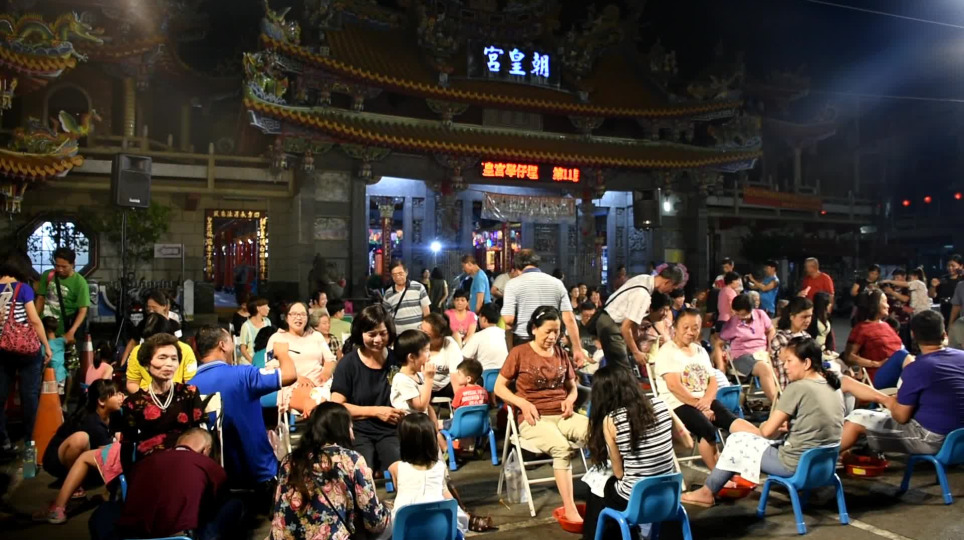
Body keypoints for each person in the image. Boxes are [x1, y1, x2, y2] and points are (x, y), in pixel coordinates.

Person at [42, 333, 204, 524]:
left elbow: (200, 433)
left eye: (174, 358)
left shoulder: (189, 393)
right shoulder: (134, 403)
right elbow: (127, 447)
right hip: (150, 465)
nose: (169, 363)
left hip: (184, 462)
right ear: (147, 364)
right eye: (162, 357)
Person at [682, 337, 844, 507]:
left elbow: (766, 432)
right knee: (751, 440)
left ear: (807, 363)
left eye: (789, 361)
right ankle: (714, 487)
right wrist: (790, 426)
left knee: (737, 440)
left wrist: (768, 425)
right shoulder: (833, 386)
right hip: (825, 466)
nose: (785, 366)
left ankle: (707, 493)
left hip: (795, 465)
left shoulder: (798, 387)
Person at [494, 306, 588, 524]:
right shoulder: (519, 353)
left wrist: (570, 399)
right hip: (533, 418)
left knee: (600, 431)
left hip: (563, 415)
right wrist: (521, 402)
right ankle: (570, 508)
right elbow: (499, 387)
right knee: (562, 448)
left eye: (557, 331)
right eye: (548, 331)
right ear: (534, 329)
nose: (553, 336)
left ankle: (612, 490)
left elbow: (572, 387)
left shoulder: (561, 353)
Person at [190, 325, 296, 499]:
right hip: (258, 476)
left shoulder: (189, 386)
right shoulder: (243, 374)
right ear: (222, 345)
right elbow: (289, 375)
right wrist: (282, 353)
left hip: (213, 480)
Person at [842, 310, 964, 457]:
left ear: (913, 335)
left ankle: (819, 461)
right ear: (944, 334)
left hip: (933, 440)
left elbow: (901, 417)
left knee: (857, 418)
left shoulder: (917, 368)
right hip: (959, 438)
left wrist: (888, 401)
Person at [89, 428, 241, 540]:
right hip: (183, 535)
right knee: (234, 504)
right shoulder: (207, 464)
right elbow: (220, 495)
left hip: (134, 534)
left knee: (105, 510)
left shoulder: (144, 463)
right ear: (206, 450)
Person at [269, 401, 390, 540]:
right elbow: (374, 523)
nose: (353, 435)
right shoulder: (350, 459)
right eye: (351, 428)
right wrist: (387, 509)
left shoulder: (288, 461)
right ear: (341, 430)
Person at [654, 308, 758, 470]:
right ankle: (717, 475)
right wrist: (701, 406)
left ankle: (763, 438)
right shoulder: (667, 351)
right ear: (675, 327)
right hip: (678, 403)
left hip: (703, 401)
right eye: (685, 327)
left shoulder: (700, 351)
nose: (690, 332)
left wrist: (707, 401)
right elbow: (674, 386)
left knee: (729, 418)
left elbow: (712, 381)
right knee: (707, 429)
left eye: (695, 328)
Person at [582, 365, 676, 540]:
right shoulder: (661, 404)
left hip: (635, 498)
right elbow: (684, 440)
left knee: (596, 484)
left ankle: (596, 536)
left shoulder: (612, 420)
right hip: (669, 493)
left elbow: (619, 474)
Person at [330, 304, 404, 482]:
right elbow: (336, 406)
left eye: (383, 333)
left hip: (391, 431)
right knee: (364, 475)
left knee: (401, 472)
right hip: (358, 431)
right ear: (360, 333)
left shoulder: (397, 360)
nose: (378, 339)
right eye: (372, 334)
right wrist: (376, 411)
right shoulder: (348, 364)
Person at [0, 250, 51, 456]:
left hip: (2, 350)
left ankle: (3, 441)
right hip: (27, 351)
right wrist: (46, 346)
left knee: (1, 396)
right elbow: (34, 321)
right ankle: (31, 442)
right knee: (29, 396)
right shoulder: (23, 289)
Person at [501, 250, 587, 367]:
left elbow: (508, 319)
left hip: (524, 342)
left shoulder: (512, 284)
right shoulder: (557, 283)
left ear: (517, 268)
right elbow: (569, 319)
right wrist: (577, 349)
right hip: (552, 341)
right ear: (537, 264)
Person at [594, 265, 684, 377]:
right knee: (623, 371)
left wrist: (635, 333)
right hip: (611, 325)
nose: (670, 291)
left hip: (607, 320)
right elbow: (625, 327)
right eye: (672, 288)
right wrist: (636, 352)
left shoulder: (643, 278)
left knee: (615, 369)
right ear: (668, 282)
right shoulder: (643, 295)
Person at [393, 413, 469, 534]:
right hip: (439, 528)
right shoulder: (440, 466)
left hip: (407, 528)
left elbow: (401, 494)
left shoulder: (396, 468)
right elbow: (447, 496)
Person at [42, 380, 123, 485]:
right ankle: (72, 481)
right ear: (102, 401)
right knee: (81, 439)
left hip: (81, 455)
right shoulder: (92, 422)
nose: (121, 396)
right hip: (56, 462)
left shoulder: (113, 413)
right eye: (116, 394)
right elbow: (106, 455)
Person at [266, 302, 334, 416]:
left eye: (302, 314)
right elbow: (270, 367)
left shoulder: (316, 336)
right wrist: (296, 378)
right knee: (316, 405)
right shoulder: (276, 338)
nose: (298, 317)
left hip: (320, 382)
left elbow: (330, 360)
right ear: (286, 317)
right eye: (294, 314)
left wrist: (325, 374)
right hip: (293, 384)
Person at [719, 294, 779, 402]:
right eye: (738, 314)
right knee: (764, 368)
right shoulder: (733, 323)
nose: (741, 317)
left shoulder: (760, 314)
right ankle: (777, 404)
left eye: (744, 314)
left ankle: (789, 400)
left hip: (763, 353)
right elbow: (718, 341)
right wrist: (721, 364)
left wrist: (770, 346)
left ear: (751, 309)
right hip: (742, 357)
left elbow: (771, 330)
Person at [125, 313, 197, 394]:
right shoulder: (137, 351)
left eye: (173, 358)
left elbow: (191, 383)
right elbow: (132, 383)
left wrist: (176, 396)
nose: (169, 363)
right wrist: (147, 396)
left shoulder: (185, 350)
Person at [843, 289, 904, 382]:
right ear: (875, 304)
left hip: (898, 375)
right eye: (885, 301)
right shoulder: (861, 328)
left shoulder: (886, 325)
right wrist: (876, 364)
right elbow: (849, 357)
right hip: (879, 378)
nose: (888, 305)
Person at [36, 246, 89, 346]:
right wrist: (35, 320)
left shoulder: (80, 282)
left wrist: (71, 332)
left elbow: (83, 310)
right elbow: (40, 298)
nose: (60, 269)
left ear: (73, 264)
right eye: (57, 266)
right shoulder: (48, 275)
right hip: (44, 328)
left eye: (64, 267)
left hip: (64, 330)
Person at [119, 289, 182, 366]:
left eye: (154, 307)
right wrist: (122, 363)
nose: (150, 310)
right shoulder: (143, 323)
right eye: (148, 307)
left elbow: (178, 344)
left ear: (164, 306)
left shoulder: (174, 324)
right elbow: (132, 342)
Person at [389, 329, 436, 416]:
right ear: (411, 357)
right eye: (426, 350)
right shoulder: (402, 379)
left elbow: (427, 405)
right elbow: (421, 407)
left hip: (422, 421)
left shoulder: (419, 375)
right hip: (410, 422)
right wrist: (429, 379)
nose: (429, 354)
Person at [770, 297, 814, 388]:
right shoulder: (781, 338)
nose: (808, 320)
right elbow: (791, 365)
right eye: (804, 317)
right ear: (792, 316)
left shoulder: (807, 336)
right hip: (790, 385)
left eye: (810, 316)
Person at [382, 259, 431, 334]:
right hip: (399, 335)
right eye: (394, 275)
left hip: (418, 333)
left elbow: (426, 312)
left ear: (406, 272)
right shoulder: (388, 293)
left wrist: (426, 330)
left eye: (400, 273)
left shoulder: (418, 287)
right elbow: (387, 316)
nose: (398, 277)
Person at [422, 312, 463, 399]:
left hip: (444, 386)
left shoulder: (450, 345)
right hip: (422, 386)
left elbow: (455, 377)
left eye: (426, 334)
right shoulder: (417, 342)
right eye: (421, 329)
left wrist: (459, 402)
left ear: (440, 336)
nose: (422, 335)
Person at [462, 302, 509, 371]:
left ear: (484, 319)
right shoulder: (505, 334)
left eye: (479, 317)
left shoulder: (478, 336)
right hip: (504, 373)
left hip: (484, 375)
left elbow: (463, 356)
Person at [930, 254, 962, 324]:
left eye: (953, 266)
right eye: (948, 265)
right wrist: (933, 286)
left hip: (960, 313)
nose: (950, 268)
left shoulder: (962, 280)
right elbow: (932, 295)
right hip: (945, 312)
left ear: (961, 266)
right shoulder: (943, 279)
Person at [239, 296, 271, 365]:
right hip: (250, 362)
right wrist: (254, 362)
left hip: (264, 360)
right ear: (258, 308)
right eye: (266, 306)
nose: (269, 308)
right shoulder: (246, 326)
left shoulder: (267, 322)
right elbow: (243, 349)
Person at [42, 316, 67, 396]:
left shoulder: (45, 346)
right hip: (62, 375)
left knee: (49, 398)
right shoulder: (61, 341)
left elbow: (44, 362)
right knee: (58, 397)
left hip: (51, 376)